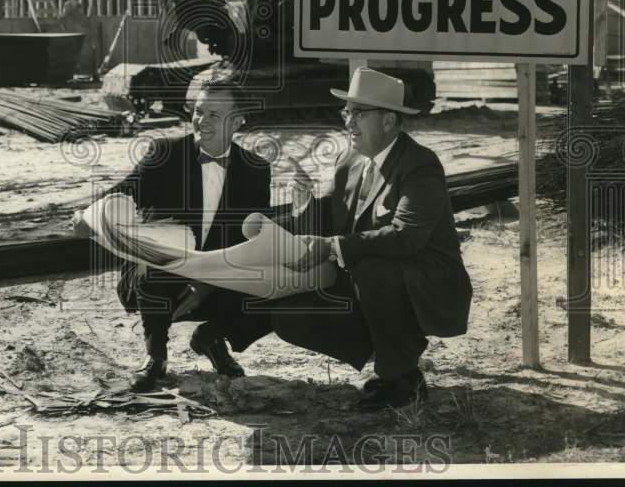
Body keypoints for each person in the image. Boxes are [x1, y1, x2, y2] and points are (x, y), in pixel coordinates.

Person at [271, 67, 472, 412]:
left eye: (358, 113)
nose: (348, 121)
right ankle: (383, 351)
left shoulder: (420, 165)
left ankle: (401, 378)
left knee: (372, 269)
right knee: (291, 311)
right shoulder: (349, 159)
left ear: (388, 121)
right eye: (347, 112)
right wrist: (304, 201)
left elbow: (405, 236)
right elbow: (339, 223)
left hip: (428, 280)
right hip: (376, 274)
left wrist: (334, 247)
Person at [74, 78, 272, 392]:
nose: (202, 121)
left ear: (238, 120)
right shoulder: (164, 153)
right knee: (155, 259)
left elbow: (252, 238)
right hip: (157, 273)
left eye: (214, 115)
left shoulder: (255, 169)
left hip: (218, 273)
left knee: (279, 277)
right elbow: (117, 195)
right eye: (198, 112)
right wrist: (85, 216)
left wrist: (207, 283)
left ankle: (211, 336)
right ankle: (156, 357)